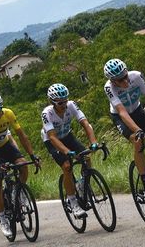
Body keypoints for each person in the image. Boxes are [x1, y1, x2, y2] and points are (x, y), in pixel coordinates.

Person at [0, 92, 41, 237]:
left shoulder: (8, 114)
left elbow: (21, 135)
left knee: (23, 164)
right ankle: (3, 219)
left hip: (5, 146)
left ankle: (19, 191)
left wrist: (32, 155)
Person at [103, 58, 145, 207]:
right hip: (121, 117)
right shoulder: (109, 88)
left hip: (137, 110)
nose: (125, 80)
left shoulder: (136, 76)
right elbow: (122, 112)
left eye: (125, 75)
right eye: (120, 79)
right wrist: (137, 130)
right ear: (113, 81)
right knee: (138, 141)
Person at [41, 83, 99, 219]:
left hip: (67, 135)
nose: (64, 105)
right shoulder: (47, 113)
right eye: (60, 103)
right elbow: (52, 137)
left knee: (86, 157)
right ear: (53, 102)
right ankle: (73, 202)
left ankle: (83, 185)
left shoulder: (71, 105)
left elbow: (85, 123)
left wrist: (93, 142)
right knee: (67, 167)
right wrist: (67, 152)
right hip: (52, 140)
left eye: (65, 101)